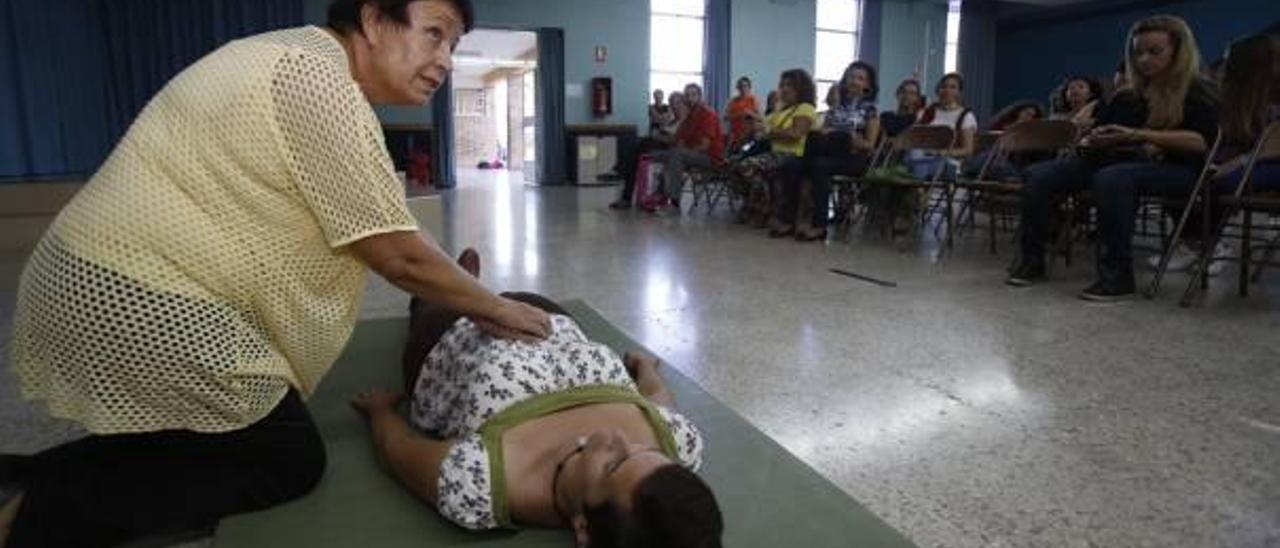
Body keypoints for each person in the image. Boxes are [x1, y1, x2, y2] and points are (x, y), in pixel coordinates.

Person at [0, 1, 558, 546]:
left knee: (207, 432)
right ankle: (37, 512)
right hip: (133, 288)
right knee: (284, 456)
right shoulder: (313, 79)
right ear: (371, 19)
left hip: (107, 272)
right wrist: (496, 307)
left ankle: (23, 478)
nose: (445, 60)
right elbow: (397, 255)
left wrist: (474, 295)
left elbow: (395, 223)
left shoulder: (306, 65)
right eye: (434, 33)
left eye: (455, 46)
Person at [351, 249, 723, 547]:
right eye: (646, 451)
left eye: (612, 465)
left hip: (454, 335)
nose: (615, 438)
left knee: (432, 301)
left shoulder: (478, 483)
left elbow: (397, 450)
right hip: (550, 321)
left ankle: (450, 283)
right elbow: (660, 407)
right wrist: (646, 371)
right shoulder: (679, 448)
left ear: (584, 530)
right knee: (499, 294)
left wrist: (380, 412)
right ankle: (464, 279)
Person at [1006, 15, 1220, 301]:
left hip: (1176, 167)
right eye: (1138, 52)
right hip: (1116, 160)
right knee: (1039, 174)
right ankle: (1031, 262)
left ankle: (1117, 277)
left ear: (1179, 52)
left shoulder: (1198, 90)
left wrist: (1136, 135)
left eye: (1154, 52)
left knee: (1112, 179)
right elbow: (1103, 131)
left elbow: (1200, 141)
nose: (1143, 60)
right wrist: (1093, 139)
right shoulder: (1126, 95)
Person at [1159, 33, 1280, 274]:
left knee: (1215, 182)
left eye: (1228, 59)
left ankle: (1207, 245)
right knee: (1190, 172)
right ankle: (1196, 243)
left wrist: (1229, 166)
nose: (1223, 65)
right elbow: (1235, 143)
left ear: (1247, 64)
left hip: (1272, 161)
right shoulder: (1241, 101)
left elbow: (1268, 150)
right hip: (1256, 160)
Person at [777, 61, 881, 241]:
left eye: (860, 78)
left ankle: (819, 226)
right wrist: (830, 132)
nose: (854, 81)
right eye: (851, 76)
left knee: (825, 157)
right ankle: (789, 219)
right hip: (828, 152)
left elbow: (870, 146)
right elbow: (822, 133)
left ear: (868, 85)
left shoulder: (870, 110)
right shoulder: (836, 109)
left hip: (854, 158)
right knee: (793, 163)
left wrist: (854, 140)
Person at [732, 69, 818, 228]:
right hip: (774, 153)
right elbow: (763, 126)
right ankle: (761, 207)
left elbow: (795, 133)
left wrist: (768, 131)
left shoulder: (805, 107)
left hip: (792, 154)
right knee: (736, 166)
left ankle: (762, 209)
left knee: (748, 166)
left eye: (790, 85)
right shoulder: (781, 110)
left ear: (801, 88)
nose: (784, 89)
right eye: (782, 85)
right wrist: (753, 130)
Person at [648, 84, 724, 213]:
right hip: (692, 154)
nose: (690, 98)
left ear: (700, 96)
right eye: (687, 95)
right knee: (654, 154)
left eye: (693, 94)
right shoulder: (689, 117)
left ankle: (674, 203)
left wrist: (683, 152)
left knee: (677, 155)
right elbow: (678, 140)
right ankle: (656, 195)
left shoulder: (707, 114)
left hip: (710, 157)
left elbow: (704, 146)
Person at [612, 90, 684, 209]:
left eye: (677, 103)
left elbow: (675, 140)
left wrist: (659, 135)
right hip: (658, 146)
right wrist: (659, 134)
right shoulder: (672, 120)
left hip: (670, 150)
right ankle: (624, 190)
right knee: (634, 150)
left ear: (683, 104)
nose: (674, 106)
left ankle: (622, 182)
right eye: (672, 103)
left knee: (635, 152)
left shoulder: (684, 121)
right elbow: (662, 129)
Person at [905, 72, 979, 181]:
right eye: (944, 86)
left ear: (959, 93)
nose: (947, 90)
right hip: (920, 156)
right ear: (938, 90)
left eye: (953, 87)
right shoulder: (926, 112)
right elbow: (914, 138)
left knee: (918, 165)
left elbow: (968, 150)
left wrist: (940, 152)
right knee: (914, 154)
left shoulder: (966, 116)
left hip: (948, 162)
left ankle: (916, 189)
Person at [724, 76, 762, 150]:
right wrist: (739, 114)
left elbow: (761, 118)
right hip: (734, 135)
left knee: (745, 153)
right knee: (731, 155)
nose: (743, 88)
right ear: (737, 88)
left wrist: (751, 114)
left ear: (749, 87)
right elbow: (725, 118)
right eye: (740, 86)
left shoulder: (754, 100)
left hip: (749, 136)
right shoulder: (732, 101)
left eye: (745, 86)